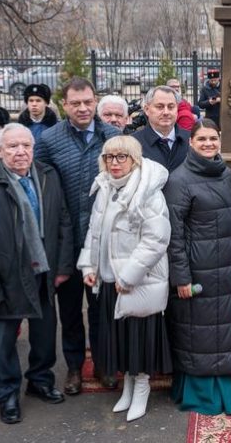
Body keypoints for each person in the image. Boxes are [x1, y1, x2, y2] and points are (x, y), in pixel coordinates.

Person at [0, 124, 75, 424]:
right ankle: (8, 395)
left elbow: (63, 221)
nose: (20, 152)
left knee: (43, 334)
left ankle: (40, 380)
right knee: (1, 343)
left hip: (44, 271)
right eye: (12, 146)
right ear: (0, 151)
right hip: (5, 277)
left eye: (25, 145)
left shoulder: (48, 176)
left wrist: (63, 266)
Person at [77, 136, 172, 422]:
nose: (115, 163)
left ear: (134, 160)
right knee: (120, 338)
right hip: (109, 279)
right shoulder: (105, 186)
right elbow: (95, 231)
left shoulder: (147, 191)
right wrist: (89, 266)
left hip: (138, 281)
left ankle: (141, 387)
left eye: (122, 157)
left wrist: (130, 276)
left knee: (139, 338)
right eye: (109, 157)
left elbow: (156, 240)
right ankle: (128, 386)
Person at [35, 77, 121, 394]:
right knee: (70, 310)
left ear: (95, 101)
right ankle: (73, 368)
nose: (83, 108)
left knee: (101, 310)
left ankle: (103, 364)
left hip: (102, 240)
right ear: (64, 105)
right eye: (76, 103)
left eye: (88, 101)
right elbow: (43, 190)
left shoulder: (112, 136)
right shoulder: (49, 139)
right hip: (65, 241)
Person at [168, 119, 231, 416]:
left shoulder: (228, 176)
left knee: (221, 334)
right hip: (196, 273)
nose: (209, 144)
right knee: (197, 334)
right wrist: (181, 276)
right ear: (192, 142)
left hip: (224, 270)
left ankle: (223, 391)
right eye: (202, 139)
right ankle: (200, 395)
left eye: (213, 138)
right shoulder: (179, 180)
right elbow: (174, 234)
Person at [131, 85, 190, 175]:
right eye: (160, 107)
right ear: (147, 109)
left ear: (177, 109)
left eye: (171, 107)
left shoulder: (191, 140)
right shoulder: (133, 143)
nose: (166, 112)